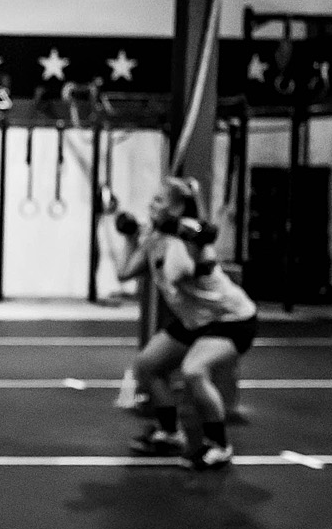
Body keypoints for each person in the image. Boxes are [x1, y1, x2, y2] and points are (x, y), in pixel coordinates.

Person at [110, 177, 258, 469]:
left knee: (194, 370)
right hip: (195, 321)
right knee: (147, 365)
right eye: (152, 200)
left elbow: (179, 272)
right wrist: (131, 238)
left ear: (177, 209)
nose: (152, 206)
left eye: (160, 201)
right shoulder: (157, 239)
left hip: (231, 320)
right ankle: (169, 433)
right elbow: (125, 272)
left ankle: (219, 446)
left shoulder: (190, 240)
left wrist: (167, 234)